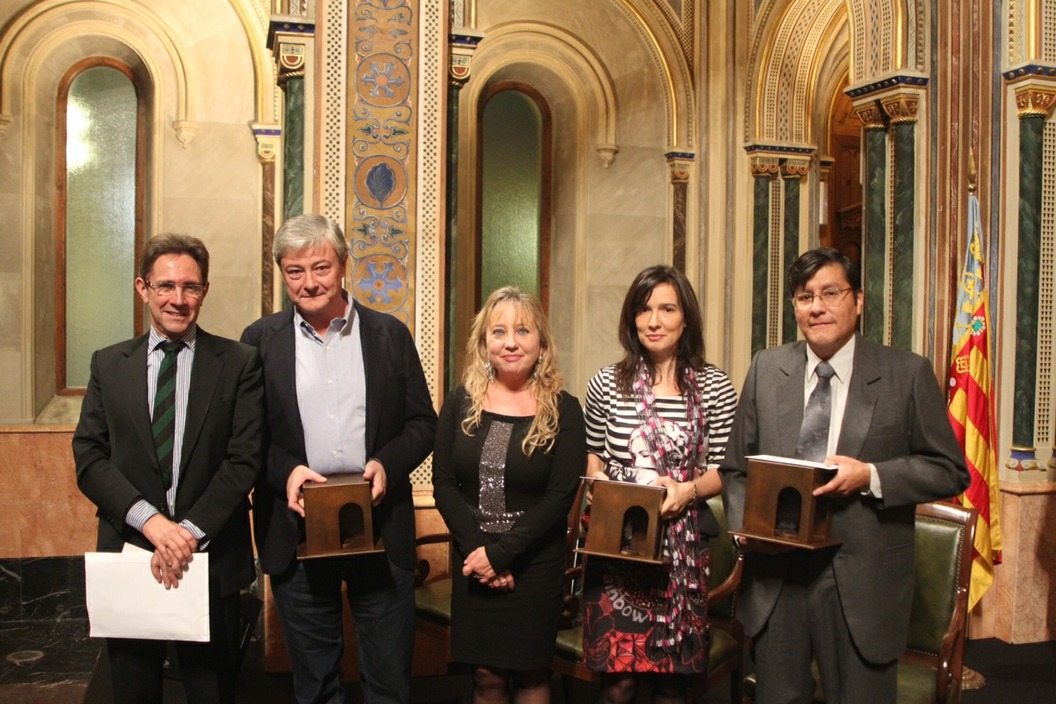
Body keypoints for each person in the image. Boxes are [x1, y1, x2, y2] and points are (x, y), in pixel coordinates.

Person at [720, 247, 970, 704]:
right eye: (803, 297)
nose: (816, 307)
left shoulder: (905, 373)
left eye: (830, 293)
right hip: (778, 577)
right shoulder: (766, 369)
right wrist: (745, 533)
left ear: (857, 300)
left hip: (861, 581)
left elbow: (949, 470)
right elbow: (737, 467)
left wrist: (871, 475)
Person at [240, 214, 437, 704]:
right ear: (282, 274)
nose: (309, 282)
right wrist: (285, 472)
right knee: (316, 687)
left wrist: (387, 465)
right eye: (295, 271)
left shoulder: (389, 334)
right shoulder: (259, 341)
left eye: (321, 267)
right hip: (296, 528)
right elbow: (245, 438)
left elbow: (423, 424)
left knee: (389, 684)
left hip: (380, 526)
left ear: (344, 264)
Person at [73, 234, 265, 704]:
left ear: (205, 290)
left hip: (213, 557)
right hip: (132, 553)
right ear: (143, 288)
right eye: (166, 286)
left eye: (191, 287)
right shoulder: (108, 364)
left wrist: (188, 533)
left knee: (211, 691)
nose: (178, 299)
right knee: (134, 692)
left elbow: (245, 460)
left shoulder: (239, 363)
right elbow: (90, 457)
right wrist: (154, 524)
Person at [582, 265, 738, 703]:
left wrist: (687, 490)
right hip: (618, 548)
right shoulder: (607, 384)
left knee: (673, 685)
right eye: (644, 309)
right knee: (618, 685)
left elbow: (727, 469)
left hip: (681, 552)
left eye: (667, 308)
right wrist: (605, 488)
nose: (654, 320)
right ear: (632, 319)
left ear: (685, 317)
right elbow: (593, 457)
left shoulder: (714, 386)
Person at [432, 287, 586, 704]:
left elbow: (559, 497)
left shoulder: (565, 409)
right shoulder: (460, 401)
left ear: (542, 342)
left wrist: (502, 556)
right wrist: (482, 554)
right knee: (485, 677)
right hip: (474, 558)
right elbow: (443, 483)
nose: (511, 342)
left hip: (535, 564)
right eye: (498, 332)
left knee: (533, 676)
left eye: (523, 330)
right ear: (484, 343)